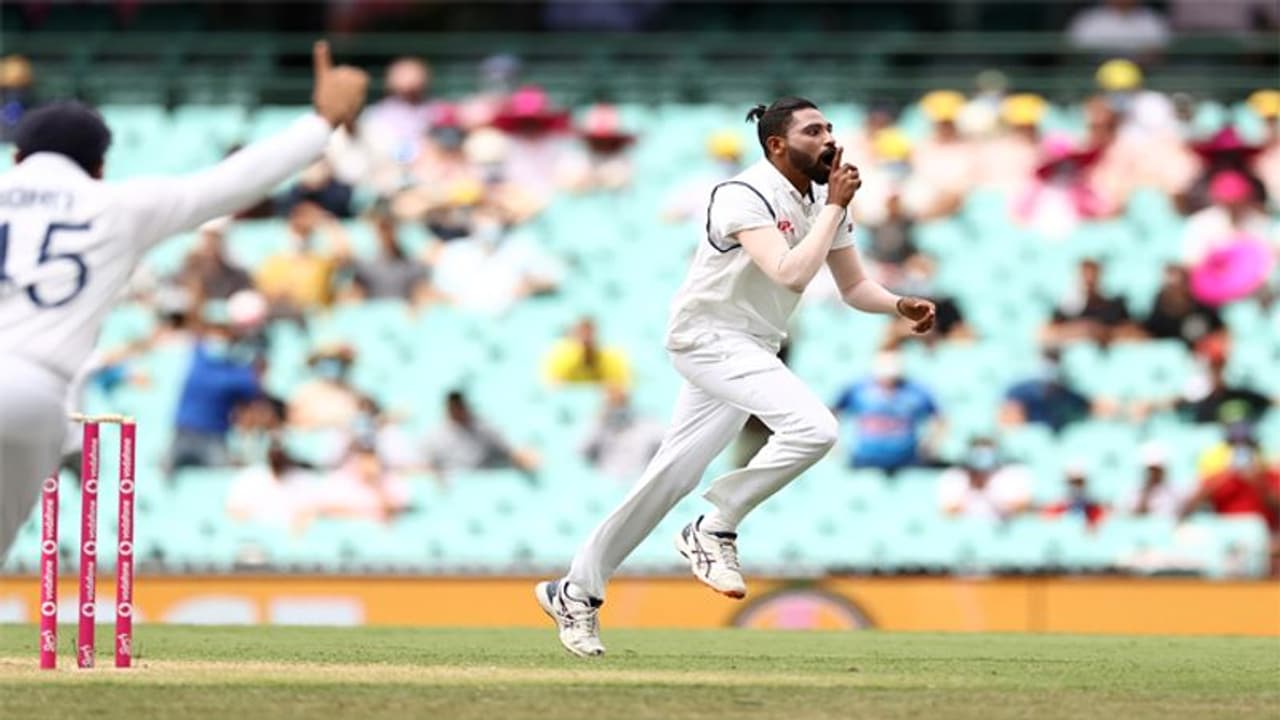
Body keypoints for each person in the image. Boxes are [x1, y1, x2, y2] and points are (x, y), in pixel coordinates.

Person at [534, 97, 936, 657]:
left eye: (830, 128)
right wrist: (834, 208)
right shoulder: (741, 195)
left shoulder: (824, 201)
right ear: (777, 145)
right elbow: (792, 273)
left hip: (752, 346)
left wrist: (898, 305)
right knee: (814, 428)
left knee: (669, 478)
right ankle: (714, 524)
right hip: (708, 338)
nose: (829, 139)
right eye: (813, 130)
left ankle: (574, 591)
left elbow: (853, 288)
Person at [0, 42, 368, 557]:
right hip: (38, 398)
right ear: (100, 166)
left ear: (18, 156)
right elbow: (228, 185)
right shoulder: (119, 204)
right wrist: (321, 122)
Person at [831, 352, 943, 473]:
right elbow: (833, 413)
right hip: (864, 459)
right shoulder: (858, 389)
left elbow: (939, 418)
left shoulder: (916, 391)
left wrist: (930, 445)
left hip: (907, 459)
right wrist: (835, 447)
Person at [542, 316, 632, 388]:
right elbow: (553, 385)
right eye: (581, 333)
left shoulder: (611, 357)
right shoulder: (560, 356)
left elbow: (619, 386)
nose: (586, 337)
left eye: (589, 333)